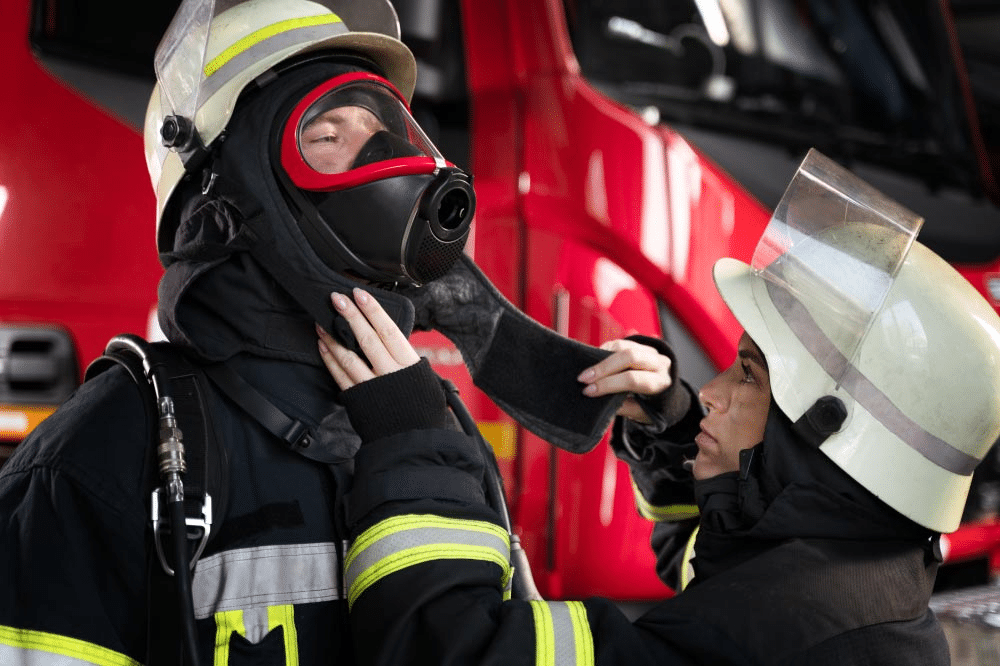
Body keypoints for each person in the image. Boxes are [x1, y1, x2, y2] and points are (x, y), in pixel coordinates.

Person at [318, 149, 1000, 665]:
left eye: (752, 378)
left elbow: (449, 648)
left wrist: (412, 443)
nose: (712, 392)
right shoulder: (864, 571)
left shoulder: (768, 632)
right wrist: (674, 430)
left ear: (823, 431)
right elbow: (719, 559)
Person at [0, 0, 477, 664]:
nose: (378, 160)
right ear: (232, 188)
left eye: (379, 131)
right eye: (328, 133)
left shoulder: (430, 428)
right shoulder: (100, 457)